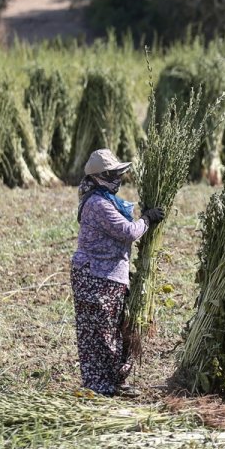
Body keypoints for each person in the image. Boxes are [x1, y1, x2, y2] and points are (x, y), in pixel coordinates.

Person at [70, 149, 165, 397]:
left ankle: (114, 382)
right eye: (113, 174)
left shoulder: (105, 199)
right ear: (100, 176)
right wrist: (147, 219)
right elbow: (127, 232)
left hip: (108, 274)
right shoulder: (97, 204)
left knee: (115, 329)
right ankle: (101, 386)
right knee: (99, 334)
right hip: (95, 277)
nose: (118, 179)